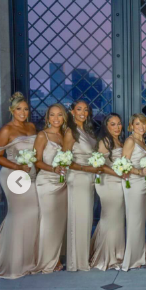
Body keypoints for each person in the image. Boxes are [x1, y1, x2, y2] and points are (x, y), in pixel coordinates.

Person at [0, 92, 39, 279]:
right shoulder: (6, 130)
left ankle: (29, 260)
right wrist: (17, 166)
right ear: (11, 110)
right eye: (19, 109)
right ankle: (12, 263)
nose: (23, 112)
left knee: (33, 213)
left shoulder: (31, 127)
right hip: (13, 176)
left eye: (26, 109)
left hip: (31, 175)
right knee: (18, 214)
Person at [63, 100, 98, 271]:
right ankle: (76, 262)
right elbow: (65, 161)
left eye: (85, 109)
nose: (83, 112)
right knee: (79, 218)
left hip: (89, 178)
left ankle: (82, 258)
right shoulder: (71, 132)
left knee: (86, 219)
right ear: (72, 112)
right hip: (78, 178)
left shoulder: (87, 131)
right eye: (79, 109)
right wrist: (86, 168)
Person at [33, 104, 68, 274]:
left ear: (64, 117)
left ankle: (57, 257)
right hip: (46, 182)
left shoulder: (65, 135)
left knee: (59, 223)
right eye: (52, 115)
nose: (56, 118)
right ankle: (47, 261)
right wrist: (53, 169)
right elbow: (37, 161)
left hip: (63, 183)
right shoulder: (42, 135)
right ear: (47, 118)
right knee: (48, 222)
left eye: (59, 115)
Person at [90, 113, 126, 271]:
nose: (117, 127)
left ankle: (116, 254)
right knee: (110, 217)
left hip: (119, 182)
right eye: (113, 124)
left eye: (119, 124)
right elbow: (100, 165)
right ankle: (106, 257)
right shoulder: (104, 141)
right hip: (108, 182)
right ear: (106, 126)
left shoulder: (119, 140)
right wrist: (117, 173)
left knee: (116, 219)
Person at [121, 114, 146, 271]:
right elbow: (123, 164)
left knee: (140, 221)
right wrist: (139, 172)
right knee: (133, 221)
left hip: (143, 184)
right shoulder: (130, 141)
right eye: (137, 124)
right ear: (131, 126)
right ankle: (131, 259)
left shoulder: (143, 142)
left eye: (143, 124)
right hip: (132, 183)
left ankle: (139, 256)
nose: (141, 126)